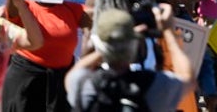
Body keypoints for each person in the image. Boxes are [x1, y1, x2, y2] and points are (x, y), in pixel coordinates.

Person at [65, 6, 193, 112]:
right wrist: (168, 32)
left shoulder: (84, 84)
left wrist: (108, 47)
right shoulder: (155, 86)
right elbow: (188, 79)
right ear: (134, 46)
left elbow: (75, 72)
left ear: (100, 45)